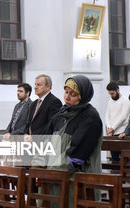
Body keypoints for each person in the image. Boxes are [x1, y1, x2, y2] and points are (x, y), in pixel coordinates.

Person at [34, 75, 102, 208]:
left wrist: (50, 173)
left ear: (83, 96)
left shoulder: (90, 117)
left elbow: (77, 156)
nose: (67, 97)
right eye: (66, 92)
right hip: (52, 178)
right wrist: (38, 168)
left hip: (75, 180)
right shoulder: (61, 114)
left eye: (73, 94)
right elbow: (45, 143)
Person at [105, 82, 130, 161]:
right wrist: (109, 127)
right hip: (112, 133)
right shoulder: (110, 101)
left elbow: (123, 117)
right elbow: (107, 116)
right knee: (114, 158)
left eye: (112, 93)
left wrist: (113, 128)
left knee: (124, 157)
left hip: (121, 131)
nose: (111, 96)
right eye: (110, 94)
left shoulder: (125, 100)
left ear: (117, 90)